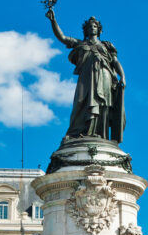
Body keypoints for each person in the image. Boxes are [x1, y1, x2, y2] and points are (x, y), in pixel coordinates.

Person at [45, 8, 126, 143]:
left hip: (104, 75)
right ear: (85, 30)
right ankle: (76, 133)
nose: (92, 28)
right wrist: (53, 20)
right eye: (89, 27)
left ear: (99, 29)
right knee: (80, 101)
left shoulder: (106, 45)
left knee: (102, 104)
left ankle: (101, 134)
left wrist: (122, 76)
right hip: (86, 77)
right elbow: (62, 37)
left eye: (94, 26)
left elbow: (116, 62)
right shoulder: (80, 43)